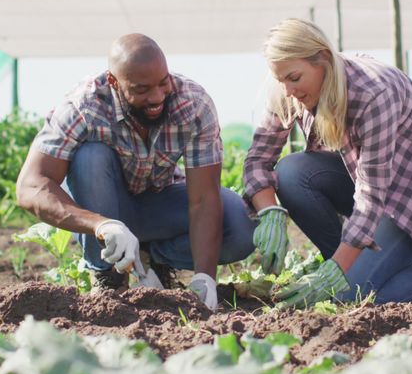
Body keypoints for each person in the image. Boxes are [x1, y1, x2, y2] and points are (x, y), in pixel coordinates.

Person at [243, 18, 412, 309]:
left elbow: (371, 197)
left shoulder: (374, 92)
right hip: (366, 179)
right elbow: (259, 160)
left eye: (294, 78)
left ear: (322, 58)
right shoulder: (288, 88)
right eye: (280, 80)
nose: (287, 91)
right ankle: (352, 270)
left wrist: (342, 271)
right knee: (291, 173)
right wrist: (270, 211)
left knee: (353, 296)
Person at [16, 33, 256, 310]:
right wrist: (101, 225)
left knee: (239, 227)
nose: (156, 97)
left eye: (163, 83)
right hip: (103, 208)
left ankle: (151, 258)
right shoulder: (83, 108)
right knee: (90, 156)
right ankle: (107, 276)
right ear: (114, 82)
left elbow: (203, 198)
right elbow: (31, 186)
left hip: (158, 205)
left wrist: (205, 276)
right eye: (142, 89)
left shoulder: (193, 103)